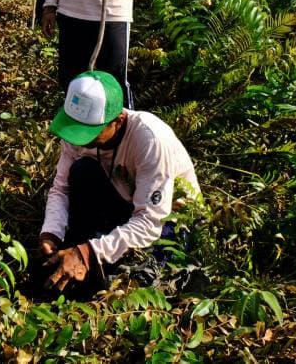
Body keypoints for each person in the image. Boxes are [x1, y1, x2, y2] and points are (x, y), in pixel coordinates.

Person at [37, 71, 200, 297]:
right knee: (82, 171)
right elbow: (61, 188)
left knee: (137, 286)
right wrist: (51, 233)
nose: (83, 141)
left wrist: (88, 253)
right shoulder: (76, 133)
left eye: (92, 133)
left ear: (118, 120)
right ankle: (81, 259)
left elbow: (150, 221)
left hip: (167, 221)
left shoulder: (150, 140)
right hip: (122, 202)